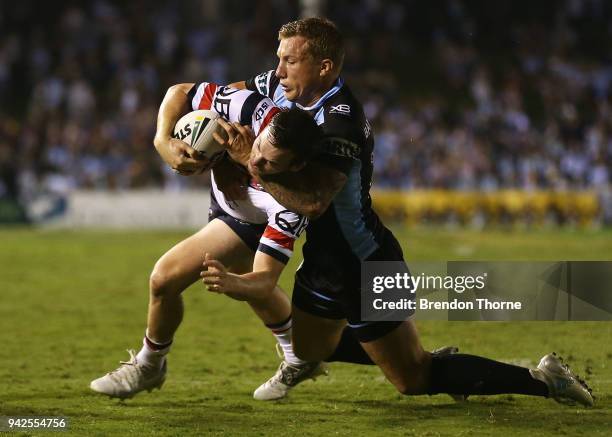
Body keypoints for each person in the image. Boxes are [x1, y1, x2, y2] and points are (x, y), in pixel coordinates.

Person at [209, 17, 593, 406]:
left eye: (290, 61)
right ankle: (413, 357)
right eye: (279, 59)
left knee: (413, 380)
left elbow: (314, 202)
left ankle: (546, 380)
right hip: (323, 259)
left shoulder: (340, 122)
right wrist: (198, 148)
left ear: (323, 68)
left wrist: (250, 164)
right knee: (308, 347)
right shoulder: (280, 86)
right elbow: (223, 98)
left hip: (363, 263)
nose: (278, 71)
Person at [89, 82, 328, 399]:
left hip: (245, 221)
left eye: (269, 164)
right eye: (257, 149)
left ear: (296, 167)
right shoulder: (252, 110)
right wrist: (162, 140)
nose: (256, 162)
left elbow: (265, 279)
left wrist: (235, 283)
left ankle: (149, 365)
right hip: (228, 205)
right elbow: (180, 92)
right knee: (243, 279)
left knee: (164, 279)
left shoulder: (291, 204)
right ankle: (301, 356)